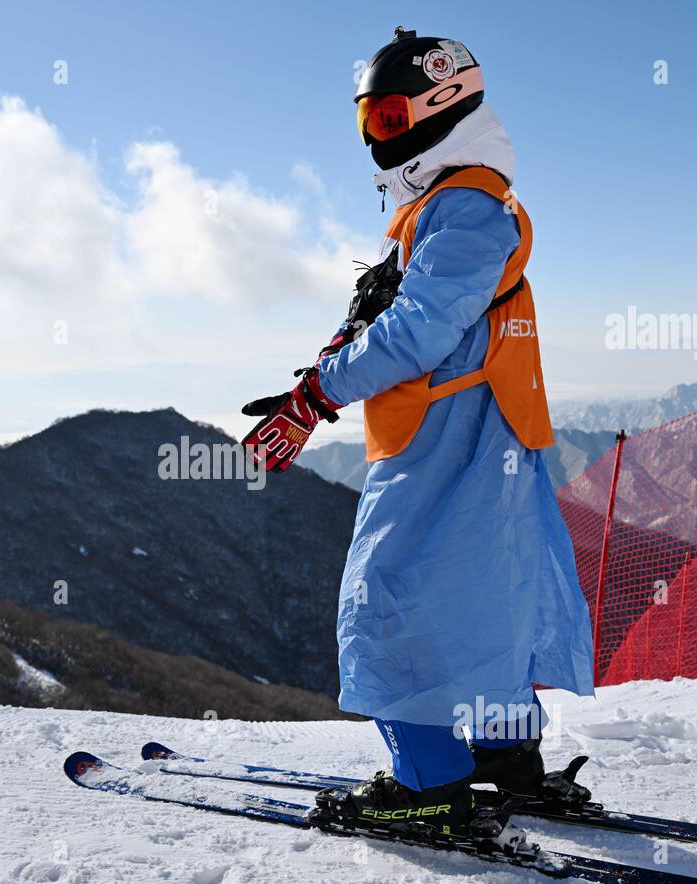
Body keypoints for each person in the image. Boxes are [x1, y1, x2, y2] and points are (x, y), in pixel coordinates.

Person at [242, 28, 594, 834]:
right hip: (470, 435)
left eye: (392, 118)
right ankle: (503, 756)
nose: (376, 137)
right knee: (483, 603)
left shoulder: (466, 207)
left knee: (385, 604)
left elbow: (418, 332)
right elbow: (388, 310)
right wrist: (328, 360)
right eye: (368, 118)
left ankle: (430, 781)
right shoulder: (441, 207)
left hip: (452, 440)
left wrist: (318, 395)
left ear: (445, 104)